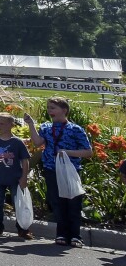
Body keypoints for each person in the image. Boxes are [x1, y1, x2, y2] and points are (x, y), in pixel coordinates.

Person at [26, 99, 92, 247]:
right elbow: (37, 142)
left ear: (64, 110)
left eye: (53, 108)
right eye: (49, 108)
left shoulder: (75, 129)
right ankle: (61, 234)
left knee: (73, 202)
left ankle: (75, 235)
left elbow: (88, 152)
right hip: (51, 169)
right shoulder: (47, 127)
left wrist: (67, 152)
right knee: (57, 202)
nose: (50, 111)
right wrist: (31, 124)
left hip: (70, 170)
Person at [0, 111, 32, 239]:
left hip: (15, 178)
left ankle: (22, 228)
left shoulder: (17, 142)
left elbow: (25, 160)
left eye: (3, 123)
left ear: (11, 125)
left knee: (19, 204)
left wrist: (24, 177)